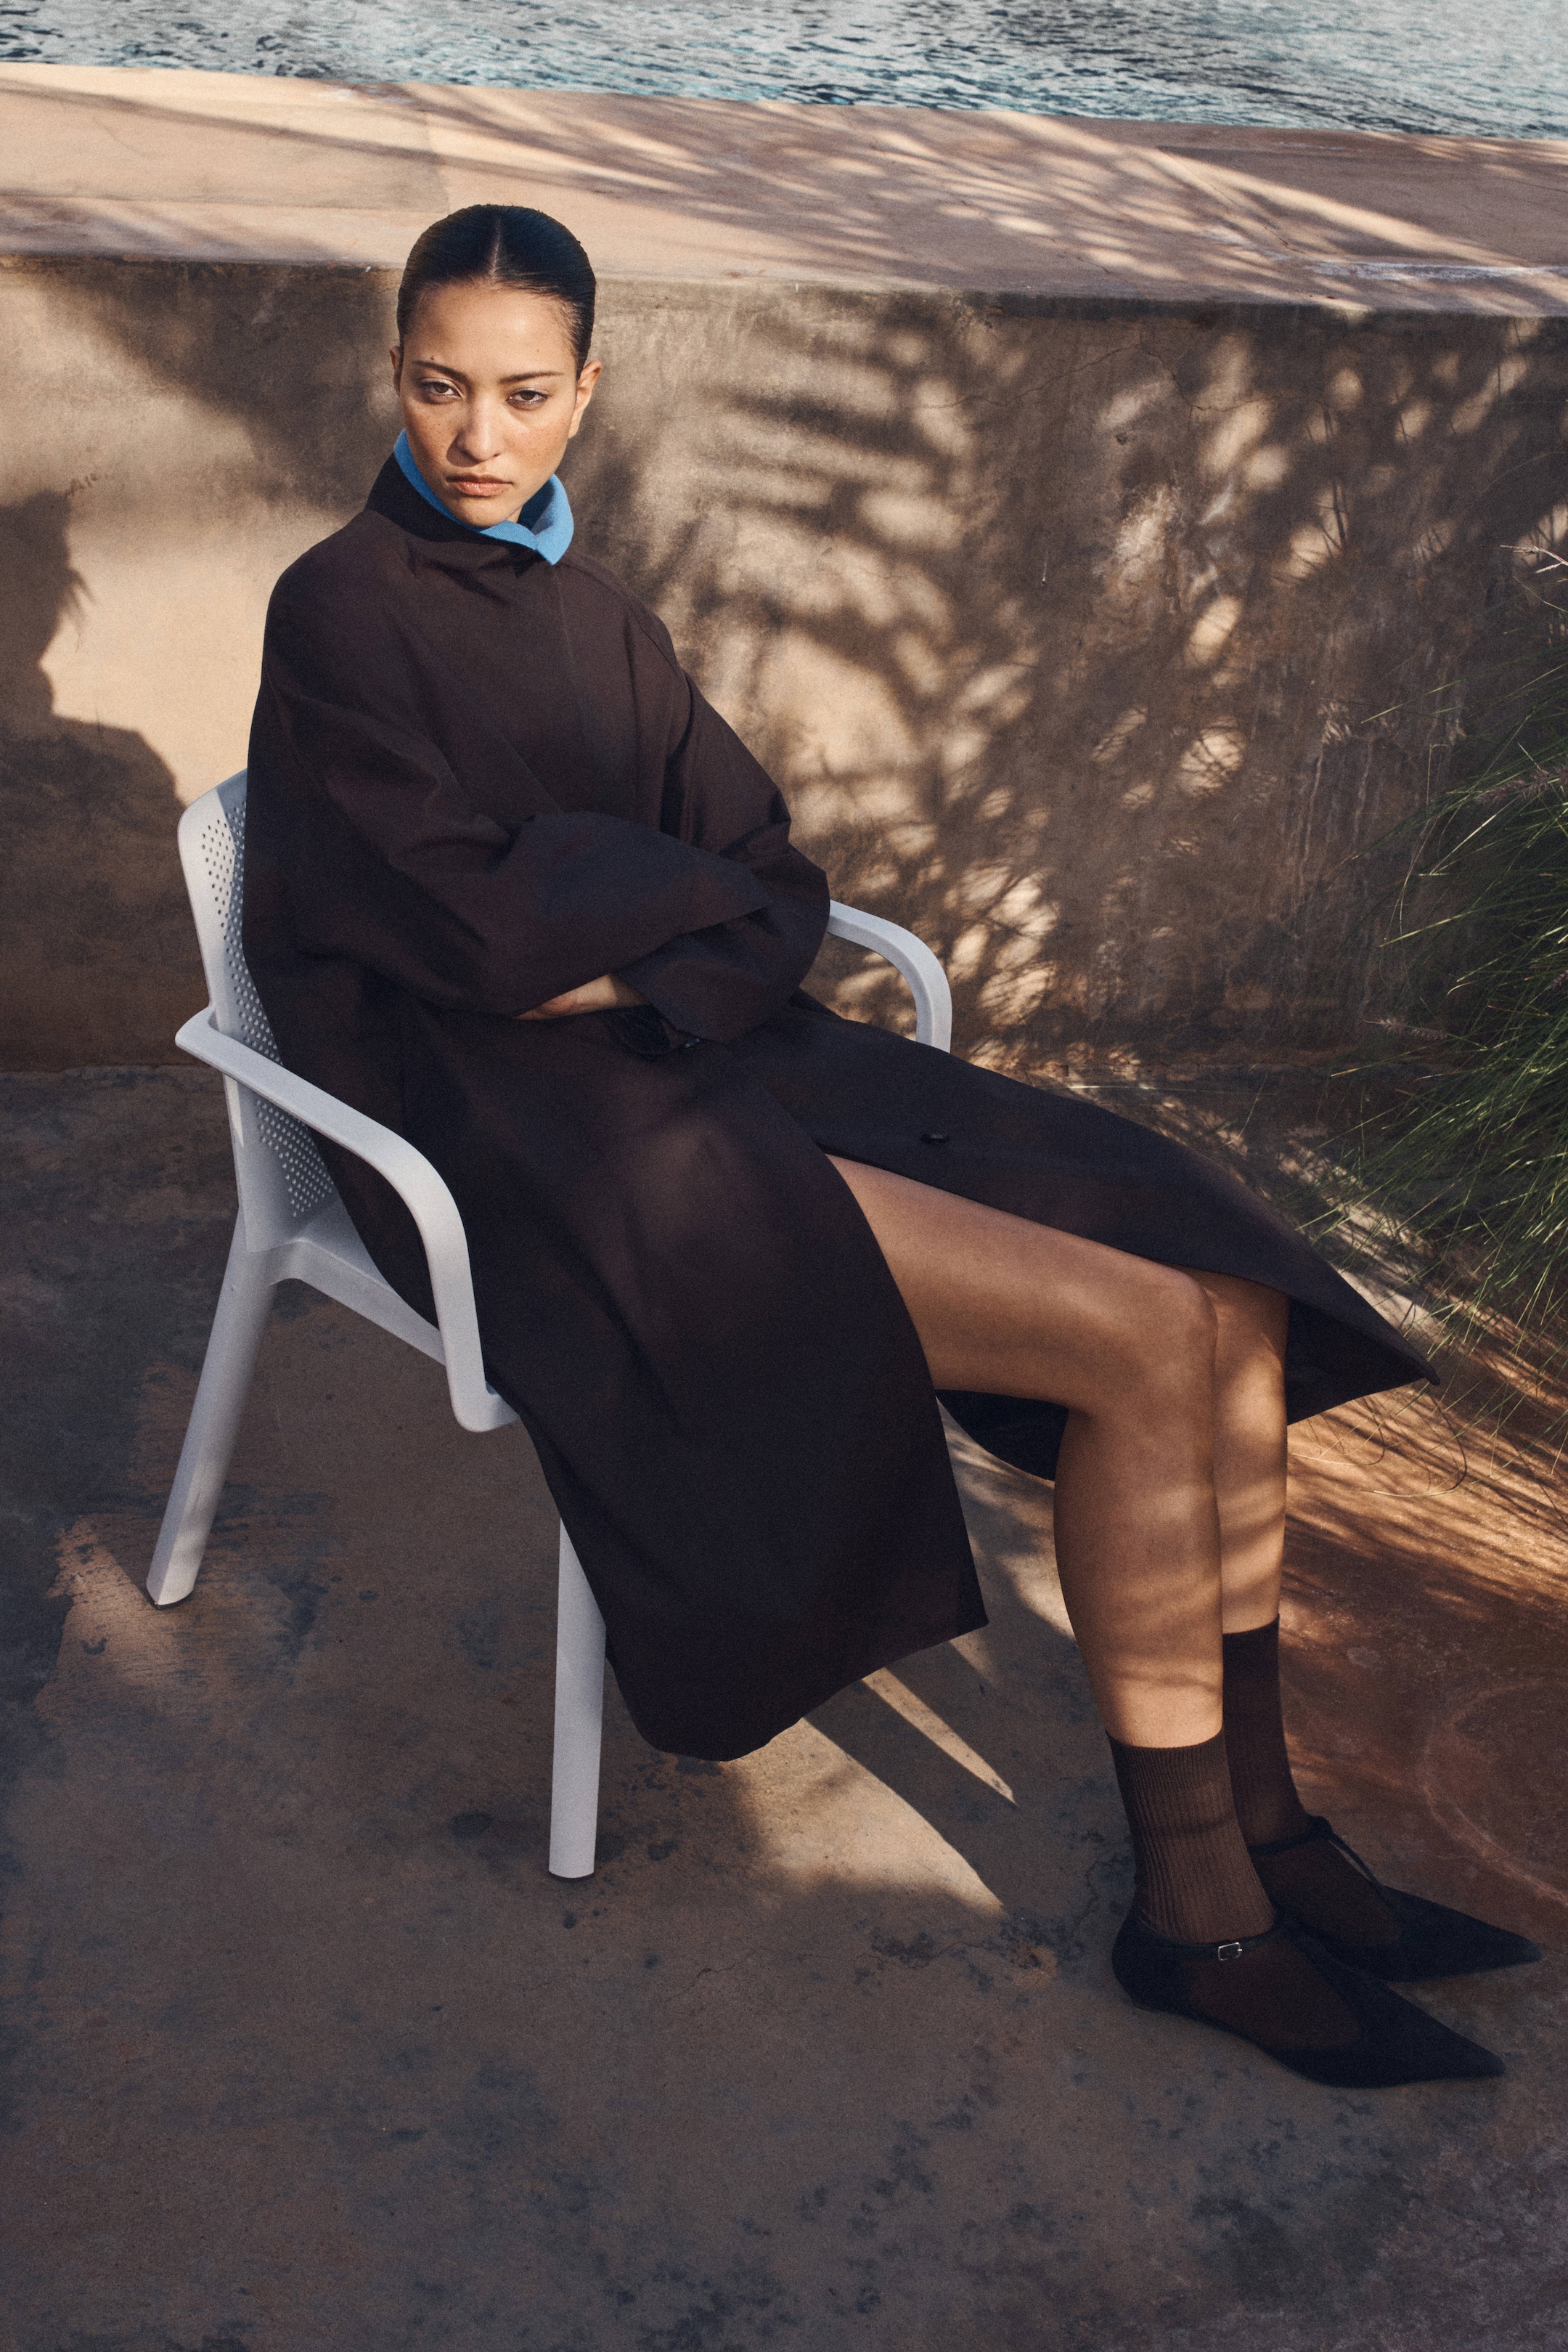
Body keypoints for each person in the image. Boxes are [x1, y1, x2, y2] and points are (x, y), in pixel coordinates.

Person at [243, 205, 1538, 2089]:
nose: (478, 437)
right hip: (527, 1145)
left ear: (589, 390)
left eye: (526, 394)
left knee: (1226, 1297)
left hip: (716, 1062)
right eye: (442, 386)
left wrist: (627, 912)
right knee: (1136, 1340)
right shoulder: (338, 608)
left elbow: (767, 875)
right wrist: (643, 911)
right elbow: (475, 944)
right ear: (395, 369)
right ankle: (1198, 1909)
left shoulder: (608, 620)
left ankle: (1271, 1834)